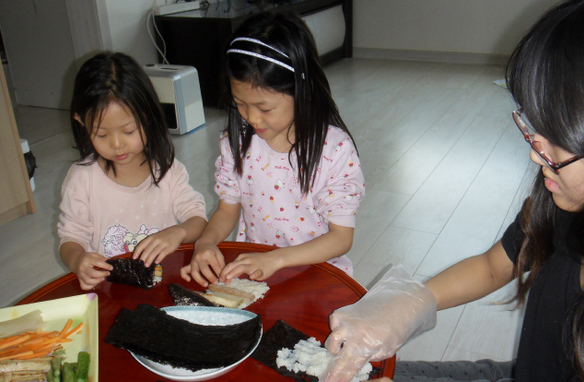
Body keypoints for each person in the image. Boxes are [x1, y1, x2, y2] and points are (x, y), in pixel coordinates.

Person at [321, 0, 584, 381]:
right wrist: (411, 303)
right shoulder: (559, 202)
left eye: (556, 136)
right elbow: (494, 265)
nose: (534, 151)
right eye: (534, 124)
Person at [180, 11, 365, 287]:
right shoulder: (238, 141)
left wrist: (277, 259)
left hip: (317, 276)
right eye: (240, 104)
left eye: (265, 108)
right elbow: (228, 210)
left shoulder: (334, 150)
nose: (252, 119)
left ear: (304, 91)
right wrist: (205, 242)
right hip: (256, 271)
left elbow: (341, 238)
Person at [58, 52, 207, 290]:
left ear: (148, 116)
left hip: (164, 282)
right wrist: (77, 260)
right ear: (81, 122)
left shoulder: (167, 170)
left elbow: (197, 218)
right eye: (102, 134)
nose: (117, 144)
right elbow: (71, 238)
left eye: (128, 131)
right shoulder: (82, 179)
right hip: (110, 288)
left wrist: (178, 232)